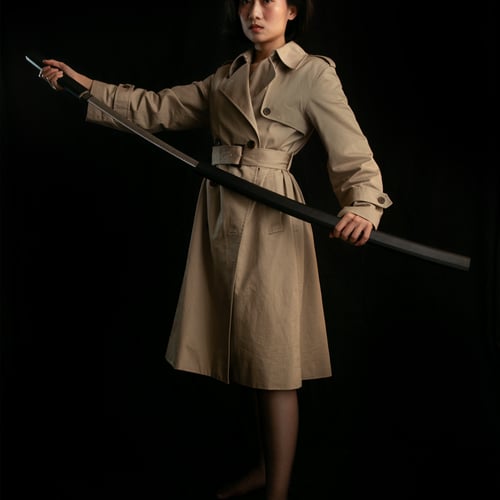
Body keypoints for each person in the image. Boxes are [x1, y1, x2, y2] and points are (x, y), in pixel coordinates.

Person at [39, 1, 392, 498]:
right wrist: (83, 85)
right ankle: (267, 467)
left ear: (292, 10)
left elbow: (353, 153)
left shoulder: (312, 73)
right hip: (222, 213)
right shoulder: (225, 77)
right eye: (247, 0)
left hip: (272, 220)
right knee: (249, 354)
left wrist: (364, 206)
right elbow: (155, 108)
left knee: (273, 360)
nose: (255, 11)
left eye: (269, 0)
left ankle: (277, 490)